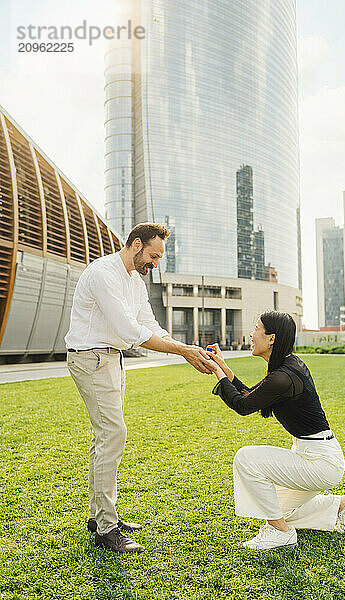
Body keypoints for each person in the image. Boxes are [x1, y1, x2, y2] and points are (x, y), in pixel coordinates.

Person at [65, 222, 213, 554]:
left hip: (110, 359)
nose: (155, 263)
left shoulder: (135, 282)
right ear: (135, 245)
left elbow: (149, 325)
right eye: (153, 255)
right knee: (113, 433)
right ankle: (106, 528)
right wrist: (182, 351)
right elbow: (128, 329)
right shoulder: (104, 274)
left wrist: (186, 348)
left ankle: (98, 517)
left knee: (104, 436)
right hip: (91, 359)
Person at [207, 310, 345, 550]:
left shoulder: (284, 376)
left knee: (246, 458)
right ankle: (343, 505)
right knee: (277, 509)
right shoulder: (284, 368)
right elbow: (250, 395)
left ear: (271, 339)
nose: (251, 334)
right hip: (314, 454)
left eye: (256, 328)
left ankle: (280, 534)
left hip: (320, 461)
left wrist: (217, 373)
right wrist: (222, 366)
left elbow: (242, 405)